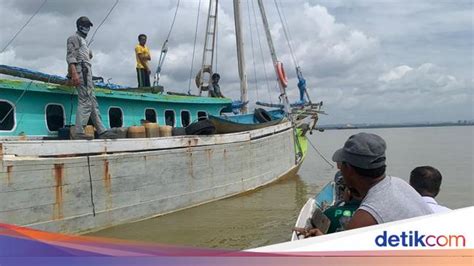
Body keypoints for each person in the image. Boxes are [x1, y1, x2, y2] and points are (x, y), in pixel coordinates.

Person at [301, 133, 433, 237]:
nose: (339, 170)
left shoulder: (366, 217)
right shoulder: (399, 183)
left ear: (349, 170)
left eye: (341, 165)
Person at [67, 16, 117, 140]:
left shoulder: (83, 41)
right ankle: (78, 131)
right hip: (81, 69)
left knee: (92, 101)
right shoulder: (74, 38)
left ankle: (101, 130)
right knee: (85, 100)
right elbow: (70, 57)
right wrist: (74, 74)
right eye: (85, 25)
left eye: (89, 26)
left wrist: (88, 53)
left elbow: (85, 55)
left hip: (87, 70)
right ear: (79, 26)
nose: (87, 28)